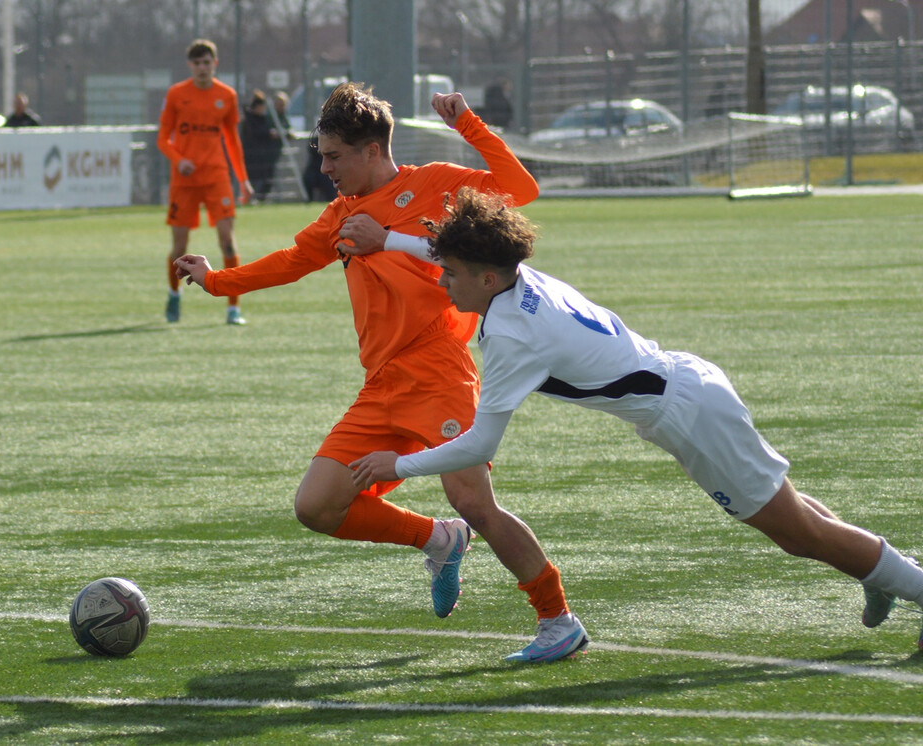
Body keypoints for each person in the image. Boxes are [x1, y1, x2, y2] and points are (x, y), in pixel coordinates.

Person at [348, 186, 923, 658]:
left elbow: (481, 443)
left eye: (448, 272)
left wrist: (398, 464)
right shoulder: (519, 278)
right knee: (791, 514)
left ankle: (898, 578)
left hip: (688, 414)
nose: (440, 281)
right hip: (690, 386)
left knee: (796, 534)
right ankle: (872, 568)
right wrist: (394, 240)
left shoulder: (510, 335)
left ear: (486, 278)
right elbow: (457, 257)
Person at [177, 85, 578, 662]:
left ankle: (557, 618)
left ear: (371, 150)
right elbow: (290, 263)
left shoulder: (438, 184)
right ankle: (437, 539)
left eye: (334, 156)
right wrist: (217, 281)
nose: (325, 168)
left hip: (439, 370)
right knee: (316, 505)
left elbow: (522, 190)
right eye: (321, 155)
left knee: (474, 501)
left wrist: (468, 124)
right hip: (382, 383)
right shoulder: (341, 215)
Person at [157, 38, 253, 326]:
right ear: (190, 65)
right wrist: (179, 160)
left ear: (215, 64)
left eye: (206, 62)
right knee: (179, 246)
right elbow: (162, 139)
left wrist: (243, 180)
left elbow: (232, 141)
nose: (202, 67)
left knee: (227, 240)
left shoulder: (226, 95)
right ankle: (174, 295)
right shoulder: (176, 94)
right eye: (197, 63)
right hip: (184, 180)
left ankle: (233, 308)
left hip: (216, 177)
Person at [239, 90, 279, 203]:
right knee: (255, 178)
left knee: (266, 178)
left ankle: (259, 199)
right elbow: (254, 133)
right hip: (252, 155)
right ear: (257, 107)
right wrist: (268, 133)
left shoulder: (260, 119)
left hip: (262, 155)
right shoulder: (250, 119)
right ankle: (252, 199)